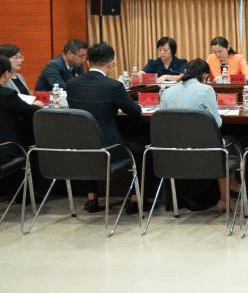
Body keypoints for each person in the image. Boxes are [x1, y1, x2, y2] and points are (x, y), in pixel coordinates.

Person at [65, 42, 145, 214]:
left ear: (88, 62)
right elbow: (135, 112)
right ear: (110, 64)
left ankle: (92, 198)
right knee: (140, 149)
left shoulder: (71, 84)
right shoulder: (113, 86)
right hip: (109, 149)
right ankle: (135, 199)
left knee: (90, 144)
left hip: (80, 147)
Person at [159, 58, 236, 214]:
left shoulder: (167, 92)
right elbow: (217, 123)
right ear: (205, 76)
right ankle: (226, 197)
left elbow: (162, 120)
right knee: (229, 143)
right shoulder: (206, 90)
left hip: (174, 150)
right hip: (203, 150)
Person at [0, 55, 40, 147]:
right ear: (6, 73)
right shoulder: (7, 94)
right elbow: (29, 110)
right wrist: (38, 106)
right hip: (7, 145)